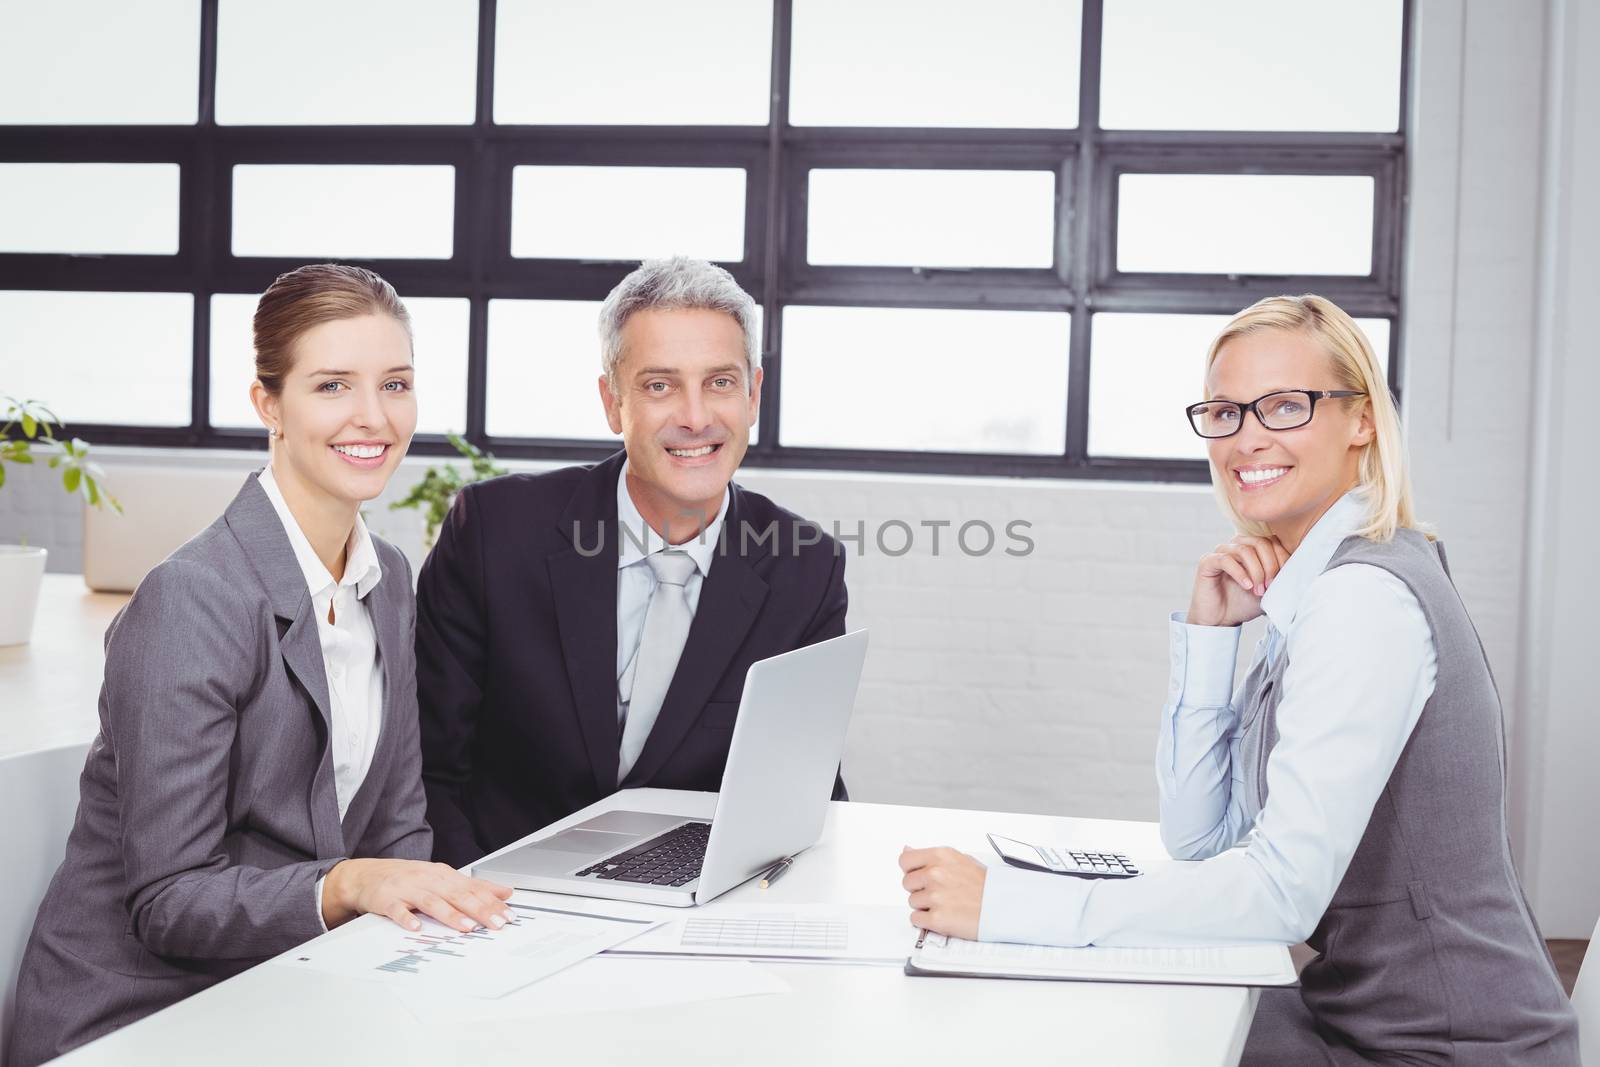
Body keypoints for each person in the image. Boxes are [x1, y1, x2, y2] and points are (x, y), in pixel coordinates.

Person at [898, 295, 1579, 1064]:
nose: (1246, 437)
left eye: (1285, 405)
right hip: (1365, 1018)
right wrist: (1211, 641)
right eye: (1224, 411)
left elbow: (1280, 894)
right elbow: (1201, 840)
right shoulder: (1320, 585)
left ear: (1362, 419)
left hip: (1443, 1048)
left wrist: (1010, 903)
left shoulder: (1363, 599)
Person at [10, 264, 512, 1066]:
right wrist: (350, 885)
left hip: (287, 990)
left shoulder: (387, 577)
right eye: (332, 385)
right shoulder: (194, 598)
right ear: (268, 405)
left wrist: (441, 943)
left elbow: (399, 829)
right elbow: (168, 900)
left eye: (396, 383)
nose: (373, 416)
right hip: (136, 1017)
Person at [418, 256, 847, 868]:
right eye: (659, 385)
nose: (695, 417)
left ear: (753, 395)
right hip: (492, 899)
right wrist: (475, 903)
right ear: (613, 403)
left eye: (720, 383)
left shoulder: (805, 569)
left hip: (688, 916)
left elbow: (802, 798)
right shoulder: (494, 532)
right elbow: (425, 771)